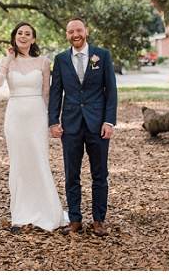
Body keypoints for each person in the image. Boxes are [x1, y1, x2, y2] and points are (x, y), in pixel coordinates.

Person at [0, 22, 69, 233]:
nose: (23, 36)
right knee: (19, 164)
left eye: (28, 34)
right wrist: (8, 59)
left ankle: (45, 214)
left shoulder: (43, 62)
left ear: (33, 39)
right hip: (15, 116)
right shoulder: (7, 62)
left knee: (38, 161)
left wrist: (52, 120)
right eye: (20, 33)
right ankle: (20, 215)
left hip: (37, 115)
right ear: (14, 37)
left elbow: (47, 94)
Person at [48, 17, 117, 237]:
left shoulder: (102, 55)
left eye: (78, 30)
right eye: (70, 32)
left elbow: (111, 91)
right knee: (71, 174)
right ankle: (75, 219)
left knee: (100, 174)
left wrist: (109, 121)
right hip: (70, 124)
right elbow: (56, 92)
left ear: (86, 31)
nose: (75, 35)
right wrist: (53, 121)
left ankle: (99, 221)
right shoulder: (60, 59)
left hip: (97, 125)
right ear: (67, 35)